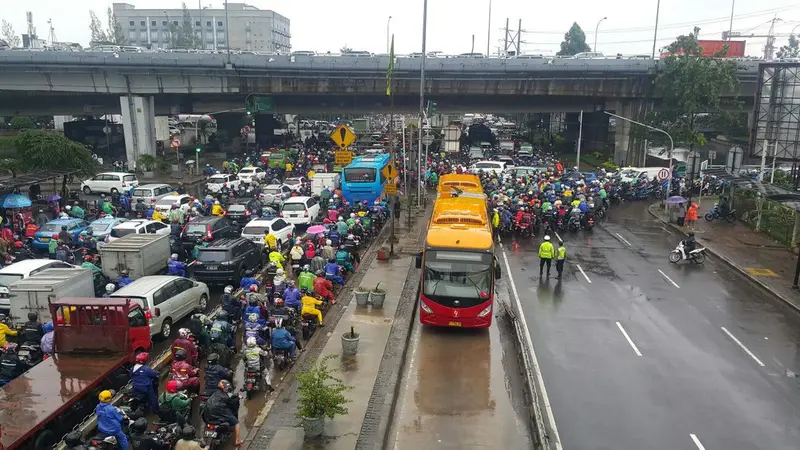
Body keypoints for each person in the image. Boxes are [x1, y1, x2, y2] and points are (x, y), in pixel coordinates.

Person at [202, 380, 243, 447]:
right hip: (219, 413)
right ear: (222, 388)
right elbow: (232, 402)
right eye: (225, 388)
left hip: (208, 416)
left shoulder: (215, 394)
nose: (227, 389)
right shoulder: (226, 397)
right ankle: (237, 441)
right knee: (236, 423)